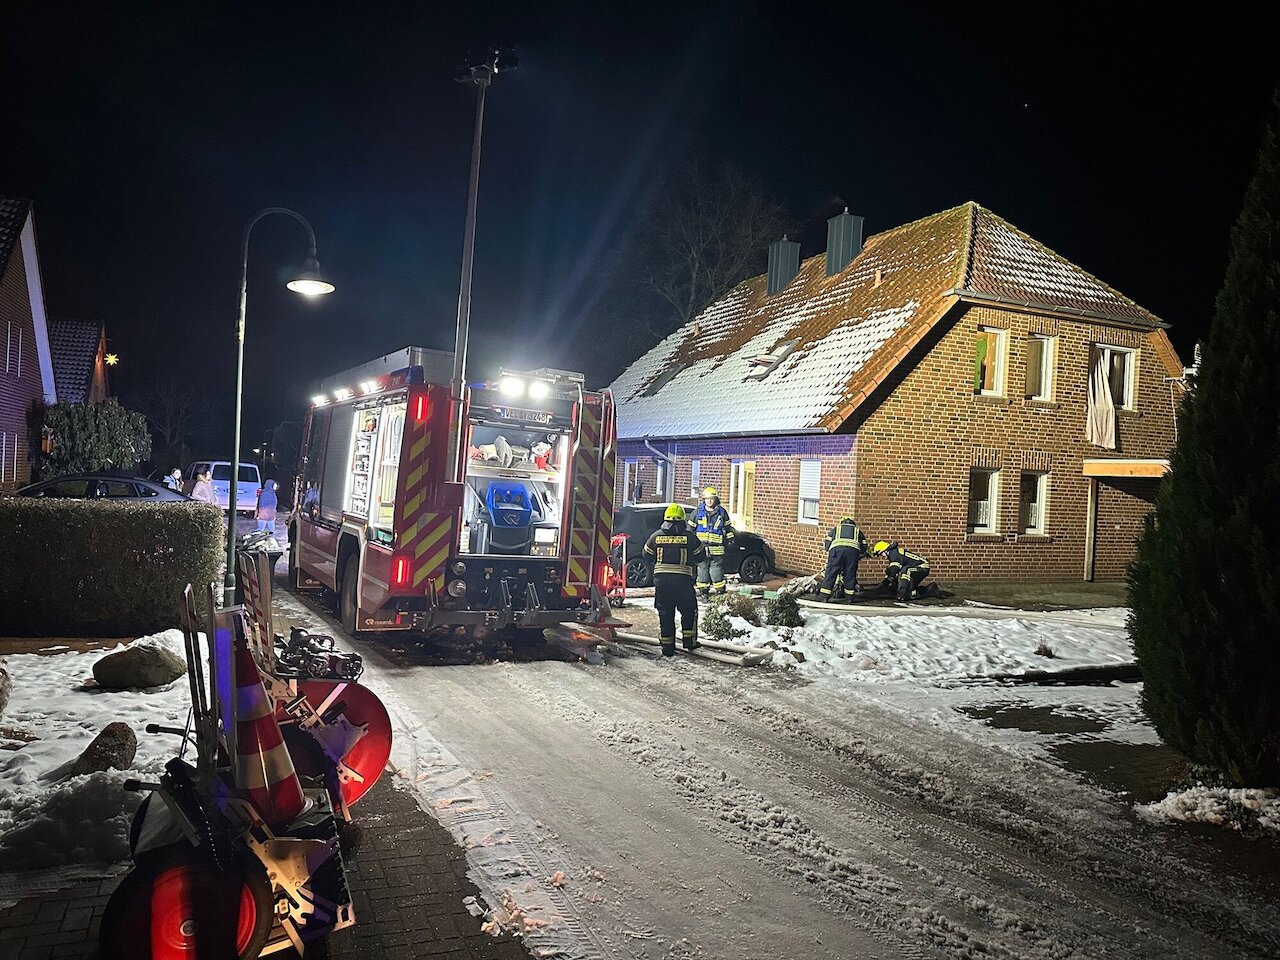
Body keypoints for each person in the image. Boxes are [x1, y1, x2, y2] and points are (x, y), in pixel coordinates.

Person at [643, 503, 706, 657]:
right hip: (683, 581)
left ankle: (667, 647)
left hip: (662, 582)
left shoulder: (656, 536)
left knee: (665, 613)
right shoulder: (690, 537)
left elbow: (646, 555)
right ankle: (688, 641)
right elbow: (701, 556)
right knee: (689, 611)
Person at [693, 486, 734, 598]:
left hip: (717, 549)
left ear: (715, 499)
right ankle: (703, 592)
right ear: (704, 500)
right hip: (701, 548)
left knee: (716, 571)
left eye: (711, 499)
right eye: (707, 499)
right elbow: (690, 529)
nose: (709, 501)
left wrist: (730, 539)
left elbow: (728, 528)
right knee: (702, 570)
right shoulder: (697, 512)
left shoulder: (722, 512)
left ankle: (720, 591)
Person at [820, 516, 869, 600]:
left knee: (831, 573)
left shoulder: (836, 529)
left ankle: (824, 597)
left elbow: (827, 543)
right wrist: (859, 554)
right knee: (850, 574)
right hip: (852, 553)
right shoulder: (857, 531)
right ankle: (849, 598)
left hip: (837, 551)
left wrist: (830, 552)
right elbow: (864, 546)